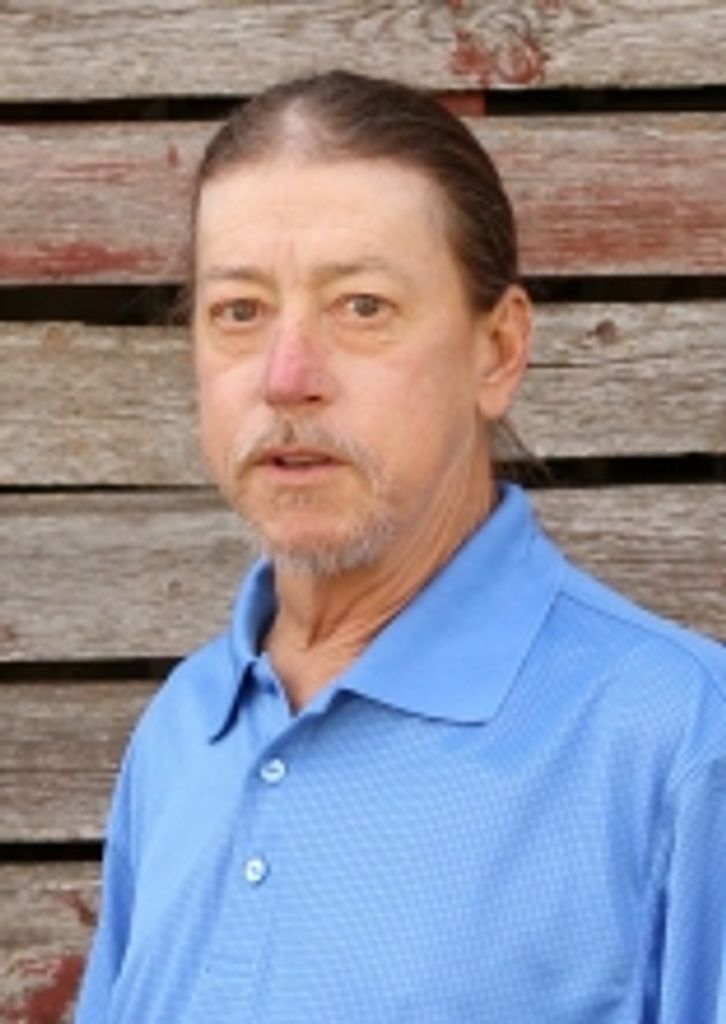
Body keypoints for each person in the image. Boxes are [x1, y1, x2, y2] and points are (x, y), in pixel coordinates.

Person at [76, 70, 726, 1023]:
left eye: (362, 306)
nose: (287, 377)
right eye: (240, 311)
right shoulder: (182, 730)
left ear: (498, 351)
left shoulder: (680, 741)